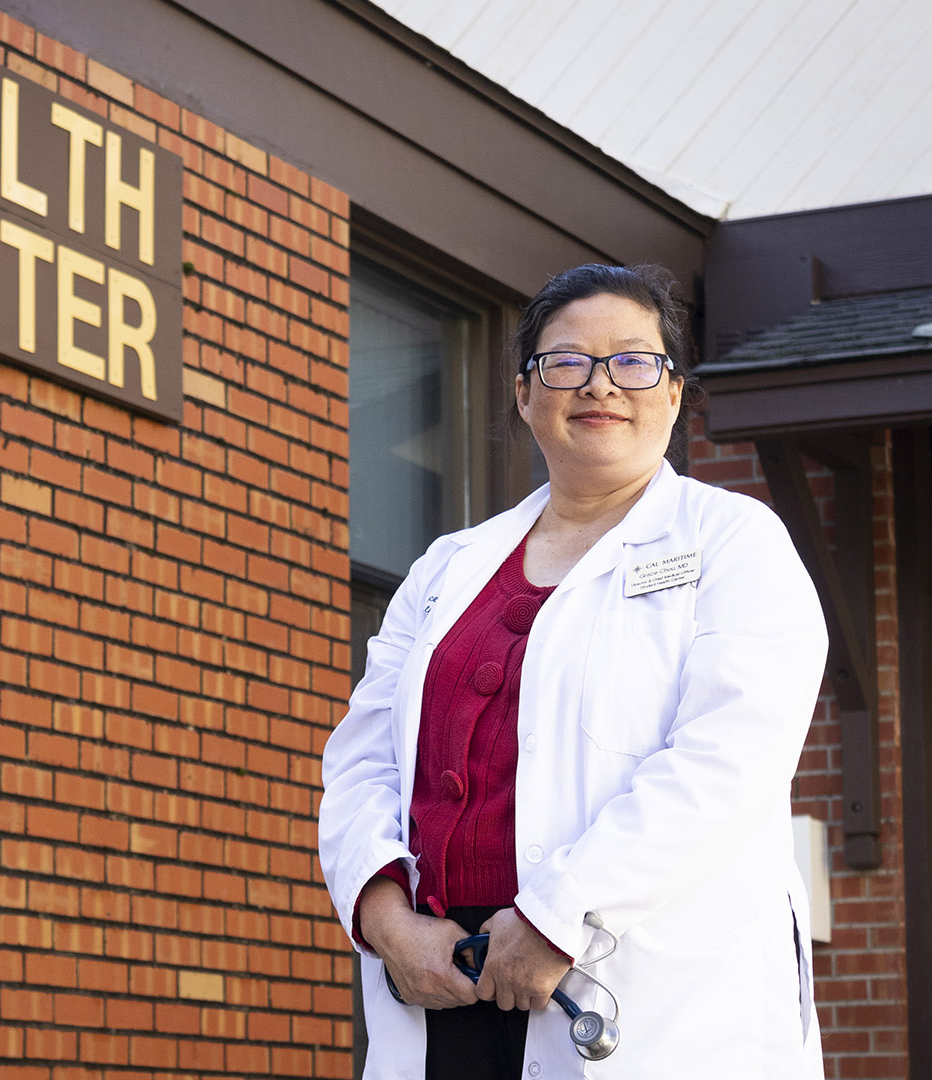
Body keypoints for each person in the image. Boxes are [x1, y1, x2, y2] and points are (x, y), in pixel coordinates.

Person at [319, 264, 828, 1079]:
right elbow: (361, 759)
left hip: (631, 987)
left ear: (672, 393)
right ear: (526, 395)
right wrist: (386, 921)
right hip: (442, 980)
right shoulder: (449, 568)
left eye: (633, 361)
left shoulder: (733, 542)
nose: (600, 385)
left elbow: (728, 760)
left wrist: (557, 918)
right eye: (565, 363)